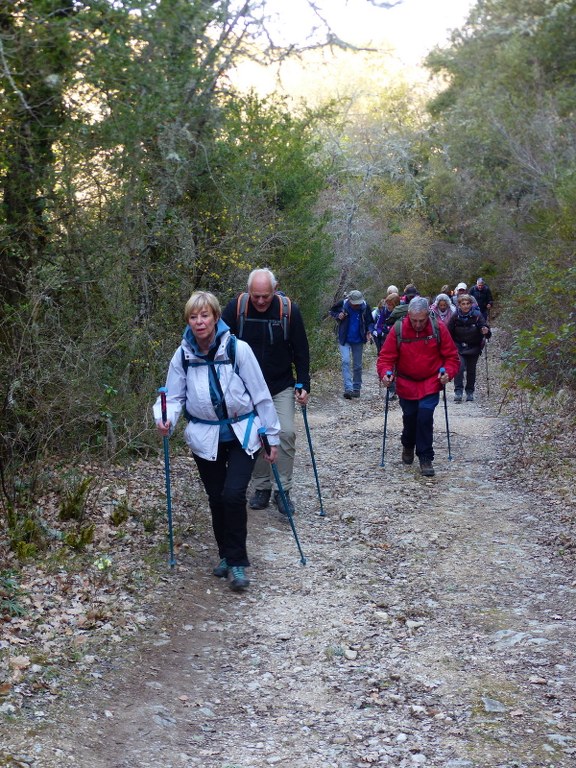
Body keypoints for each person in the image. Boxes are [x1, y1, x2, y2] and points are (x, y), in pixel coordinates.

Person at [153, 291, 281, 592]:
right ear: (188, 321)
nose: (199, 322)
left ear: (215, 317)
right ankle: (225, 553)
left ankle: (237, 563)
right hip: (204, 436)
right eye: (193, 317)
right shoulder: (183, 355)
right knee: (216, 497)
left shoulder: (239, 350)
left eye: (205, 315)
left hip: (242, 433)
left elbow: (261, 395)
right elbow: (173, 397)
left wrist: (271, 436)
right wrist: (165, 418)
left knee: (233, 495)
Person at [221, 268, 310, 517]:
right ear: (249, 291)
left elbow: (301, 350)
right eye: (256, 296)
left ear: (275, 289)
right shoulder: (236, 308)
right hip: (245, 388)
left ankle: (283, 490)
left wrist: (304, 383)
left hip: (279, 385)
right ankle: (261, 487)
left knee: (286, 432)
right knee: (256, 436)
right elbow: (220, 344)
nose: (260, 301)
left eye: (266, 296)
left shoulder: (288, 311)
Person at [377, 296, 460, 477]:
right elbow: (386, 358)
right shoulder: (398, 329)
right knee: (410, 417)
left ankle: (425, 457)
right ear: (408, 315)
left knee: (425, 416)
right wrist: (385, 373)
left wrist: (448, 373)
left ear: (428, 314)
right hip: (406, 383)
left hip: (430, 381)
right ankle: (407, 444)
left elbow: (452, 357)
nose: (417, 324)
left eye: (421, 320)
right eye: (414, 320)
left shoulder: (438, 328)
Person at [329, 289, 374, 399]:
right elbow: (332, 311)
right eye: (355, 304)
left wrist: (369, 331)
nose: (356, 306)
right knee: (345, 361)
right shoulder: (342, 304)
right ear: (349, 300)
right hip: (344, 338)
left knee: (357, 366)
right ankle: (348, 389)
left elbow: (370, 321)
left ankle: (356, 388)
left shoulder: (365, 307)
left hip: (358, 339)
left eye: (358, 303)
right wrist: (338, 315)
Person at [447, 293, 491, 403]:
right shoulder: (455, 316)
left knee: (471, 370)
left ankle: (470, 391)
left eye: (468, 304)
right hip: (458, 347)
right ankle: (458, 391)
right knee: (459, 368)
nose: (466, 306)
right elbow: (447, 332)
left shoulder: (477, 315)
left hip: (474, 346)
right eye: (463, 304)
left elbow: (486, 330)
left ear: (471, 304)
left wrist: (485, 331)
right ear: (459, 305)